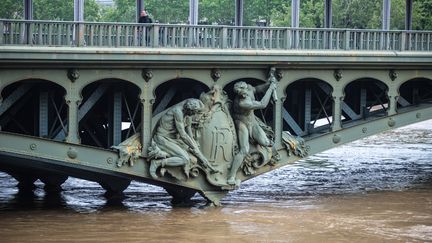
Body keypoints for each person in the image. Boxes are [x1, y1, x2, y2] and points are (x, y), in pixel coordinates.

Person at [149, 99, 217, 178]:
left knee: (193, 156)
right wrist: (194, 148)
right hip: (162, 139)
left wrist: (197, 151)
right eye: (194, 113)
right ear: (189, 109)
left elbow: (189, 135)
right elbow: (183, 135)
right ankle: (157, 163)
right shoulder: (177, 112)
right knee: (185, 159)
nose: (193, 115)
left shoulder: (188, 114)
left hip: (173, 140)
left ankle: (206, 165)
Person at [227, 80, 277, 185]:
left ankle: (253, 155)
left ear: (246, 88)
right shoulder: (242, 103)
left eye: (244, 92)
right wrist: (271, 89)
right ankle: (231, 176)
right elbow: (263, 104)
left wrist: (268, 84)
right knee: (244, 149)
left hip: (252, 120)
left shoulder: (249, 88)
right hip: (241, 122)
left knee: (266, 143)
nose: (243, 94)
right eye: (240, 94)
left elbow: (258, 89)